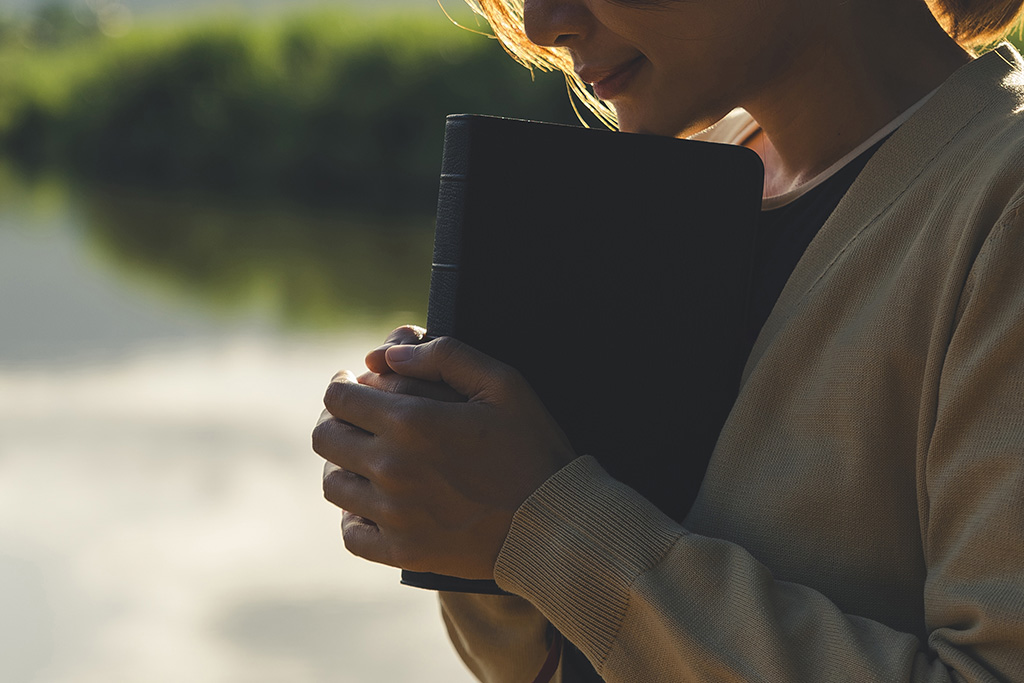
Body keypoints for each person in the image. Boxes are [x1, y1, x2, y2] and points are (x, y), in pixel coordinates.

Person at [312, 0, 1024, 680]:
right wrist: (463, 501)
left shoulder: (1002, 208)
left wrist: (544, 527)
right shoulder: (677, 185)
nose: (541, 25)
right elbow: (567, 658)